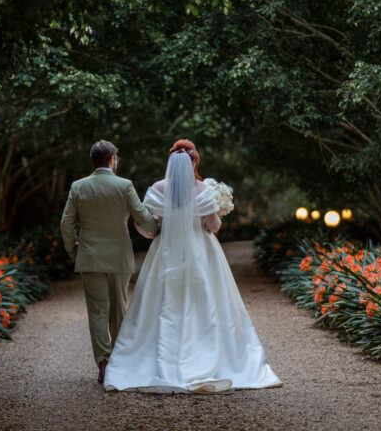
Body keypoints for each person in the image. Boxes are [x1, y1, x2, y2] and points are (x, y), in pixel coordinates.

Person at [103, 139, 282, 393]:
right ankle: (204, 353)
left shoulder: (158, 188)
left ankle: (155, 360)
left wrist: (157, 232)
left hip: (166, 251)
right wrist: (215, 214)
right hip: (200, 252)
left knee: (162, 301)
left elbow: (143, 226)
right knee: (204, 299)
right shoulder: (202, 189)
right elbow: (213, 227)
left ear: (170, 161)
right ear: (193, 161)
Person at [60, 140, 159, 384]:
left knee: (97, 312)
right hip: (118, 257)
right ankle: (119, 362)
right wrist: (159, 227)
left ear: (94, 160)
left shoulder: (78, 186)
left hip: (89, 257)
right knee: (119, 310)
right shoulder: (124, 185)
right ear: (113, 159)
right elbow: (143, 217)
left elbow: (66, 224)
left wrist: (75, 251)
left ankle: (103, 363)